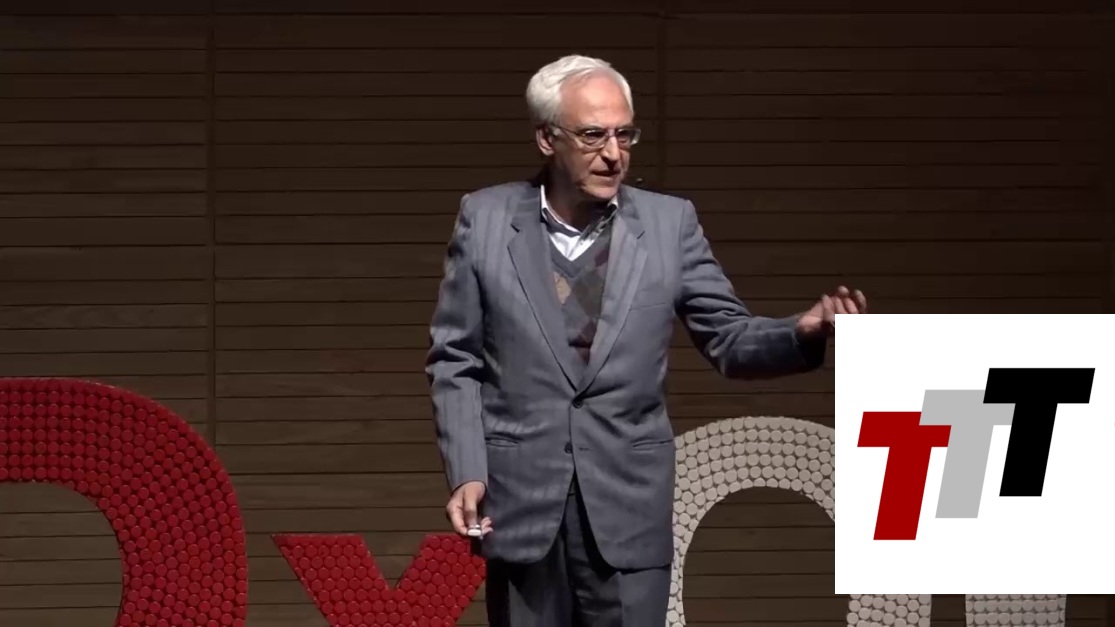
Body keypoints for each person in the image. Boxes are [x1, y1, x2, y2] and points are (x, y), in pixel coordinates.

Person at [425, 54, 868, 626]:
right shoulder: (485, 218)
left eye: (624, 134)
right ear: (546, 139)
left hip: (628, 508)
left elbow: (729, 339)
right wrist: (468, 469)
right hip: (521, 505)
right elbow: (455, 358)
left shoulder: (669, 224)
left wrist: (798, 332)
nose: (614, 153)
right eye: (593, 135)